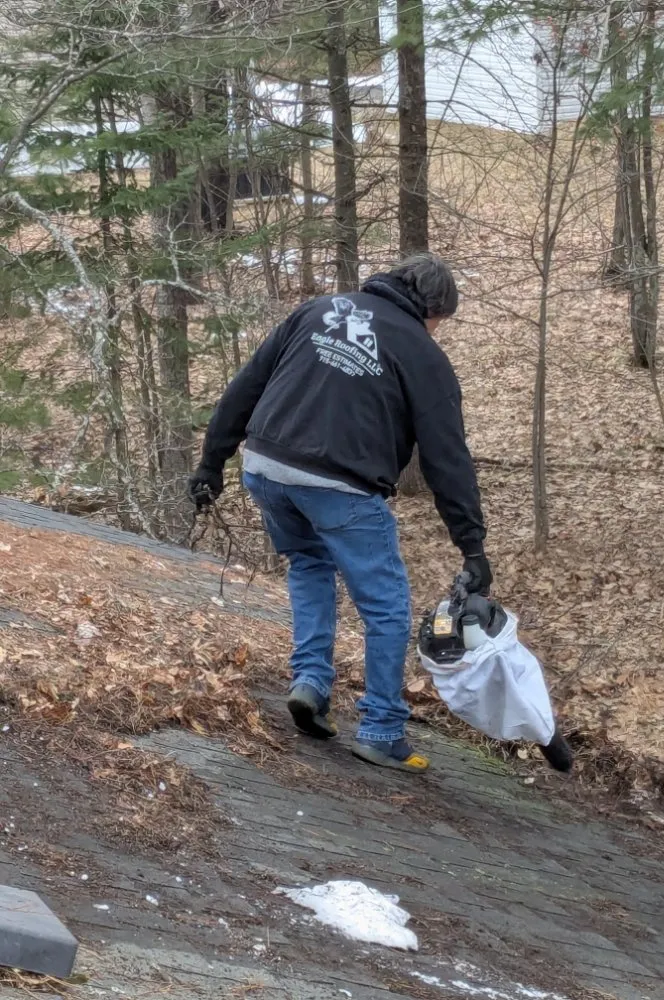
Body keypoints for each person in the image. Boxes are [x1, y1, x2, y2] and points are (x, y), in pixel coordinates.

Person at [188, 253, 492, 773]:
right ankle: (382, 730)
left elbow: (246, 386)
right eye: (441, 321)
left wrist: (211, 462)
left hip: (266, 467)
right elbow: (447, 459)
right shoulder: (423, 355)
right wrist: (472, 545)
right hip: (340, 484)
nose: (438, 330)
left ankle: (310, 683)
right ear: (433, 309)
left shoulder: (318, 311)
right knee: (386, 607)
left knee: (309, 564)